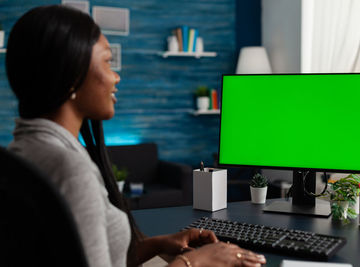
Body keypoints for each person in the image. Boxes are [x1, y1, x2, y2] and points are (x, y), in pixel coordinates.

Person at [5, 5, 267, 267]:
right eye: (108, 62)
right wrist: (195, 262)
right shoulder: (70, 168)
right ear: (72, 76)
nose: (115, 77)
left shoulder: (25, 151)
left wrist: (155, 244)